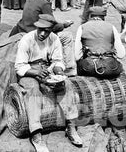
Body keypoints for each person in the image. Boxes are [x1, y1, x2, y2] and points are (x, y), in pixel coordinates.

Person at [15, 15, 82, 152]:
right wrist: (35, 73)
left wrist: (58, 70)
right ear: (37, 27)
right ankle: (36, 134)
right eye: (40, 30)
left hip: (47, 69)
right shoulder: (27, 40)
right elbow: (19, 66)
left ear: (52, 30)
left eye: (47, 31)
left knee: (66, 84)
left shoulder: (54, 39)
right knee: (33, 91)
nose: (42, 33)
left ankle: (71, 126)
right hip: (29, 71)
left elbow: (57, 60)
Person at [9, 0, 75, 75]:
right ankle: (69, 68)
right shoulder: (45, 3)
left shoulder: (30, 0)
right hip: (34, 31)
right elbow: (50, 25)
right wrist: (64, 25)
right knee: (68, 36)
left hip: (23, 29)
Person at [75, 6, 125, 78]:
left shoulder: (82, 27)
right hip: (110, 68)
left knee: (79, 65)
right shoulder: (111, 27)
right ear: (104, 17)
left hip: (89, 68)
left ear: (90, 16)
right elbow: (121, 54)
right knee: (119, 65)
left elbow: (77, 56)